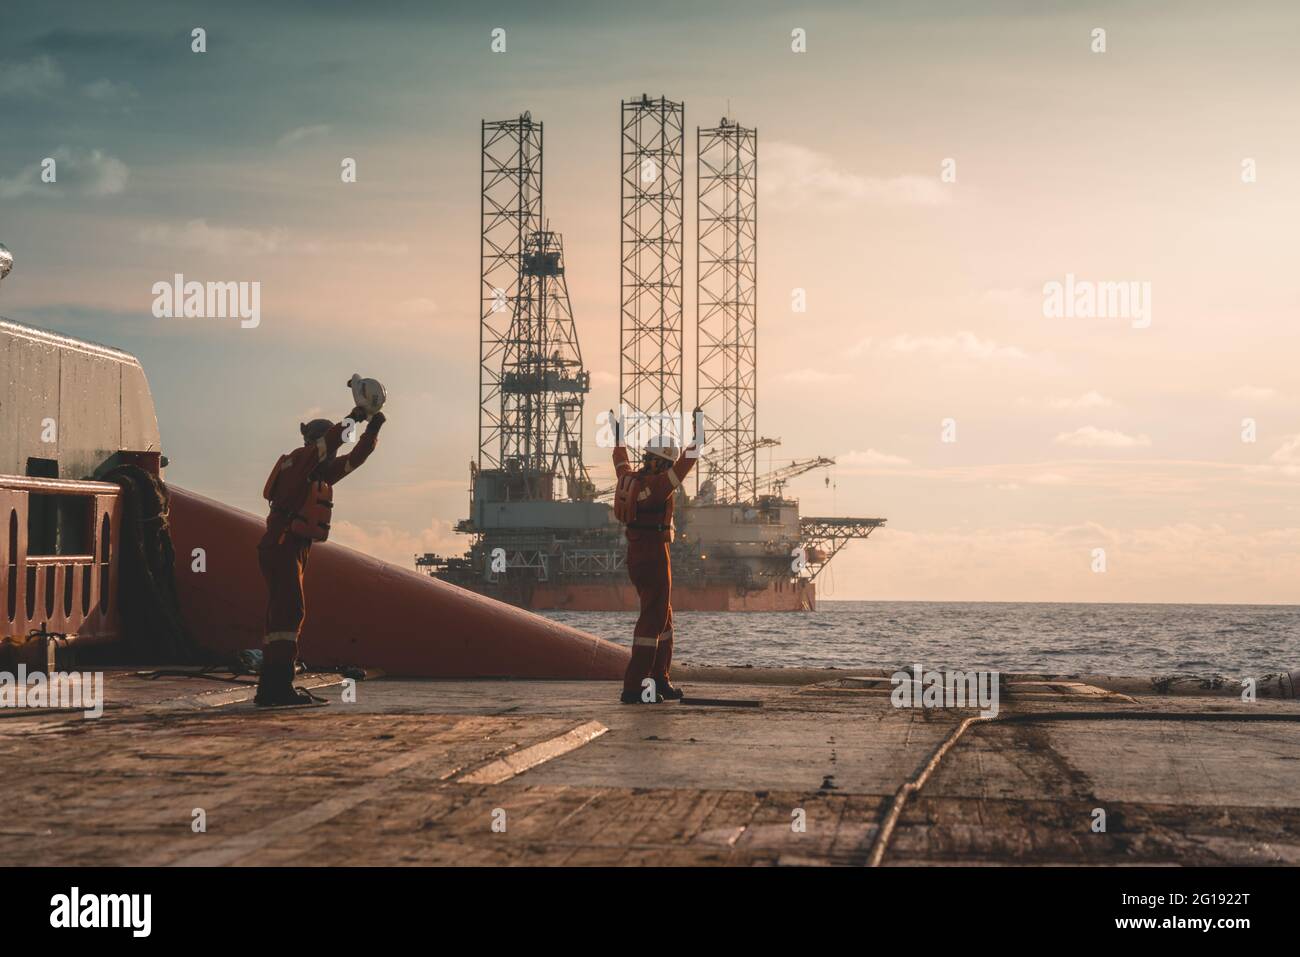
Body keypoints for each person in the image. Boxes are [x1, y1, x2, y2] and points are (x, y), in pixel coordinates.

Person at [254, 404, 385, 706]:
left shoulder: (313, 471)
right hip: (284, 544)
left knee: (282, 617)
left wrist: (373, 431)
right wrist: (357, 415)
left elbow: (353, 460)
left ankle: (271, 686)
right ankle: (277, 689)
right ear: (317, 442)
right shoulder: (303, 461)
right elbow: (334, 441)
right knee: (288, 615)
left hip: (288, 546)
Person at [611, 407, 704, 704]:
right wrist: (698, 430)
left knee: (664, 617)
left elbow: (620, 458)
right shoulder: (661, 486)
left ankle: (659, 679)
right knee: (652, 621)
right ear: (664, 462)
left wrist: (619, 433)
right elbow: (688, 460)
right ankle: (635, 687)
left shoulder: (629, 478)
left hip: (636, 555)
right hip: (654, 555)